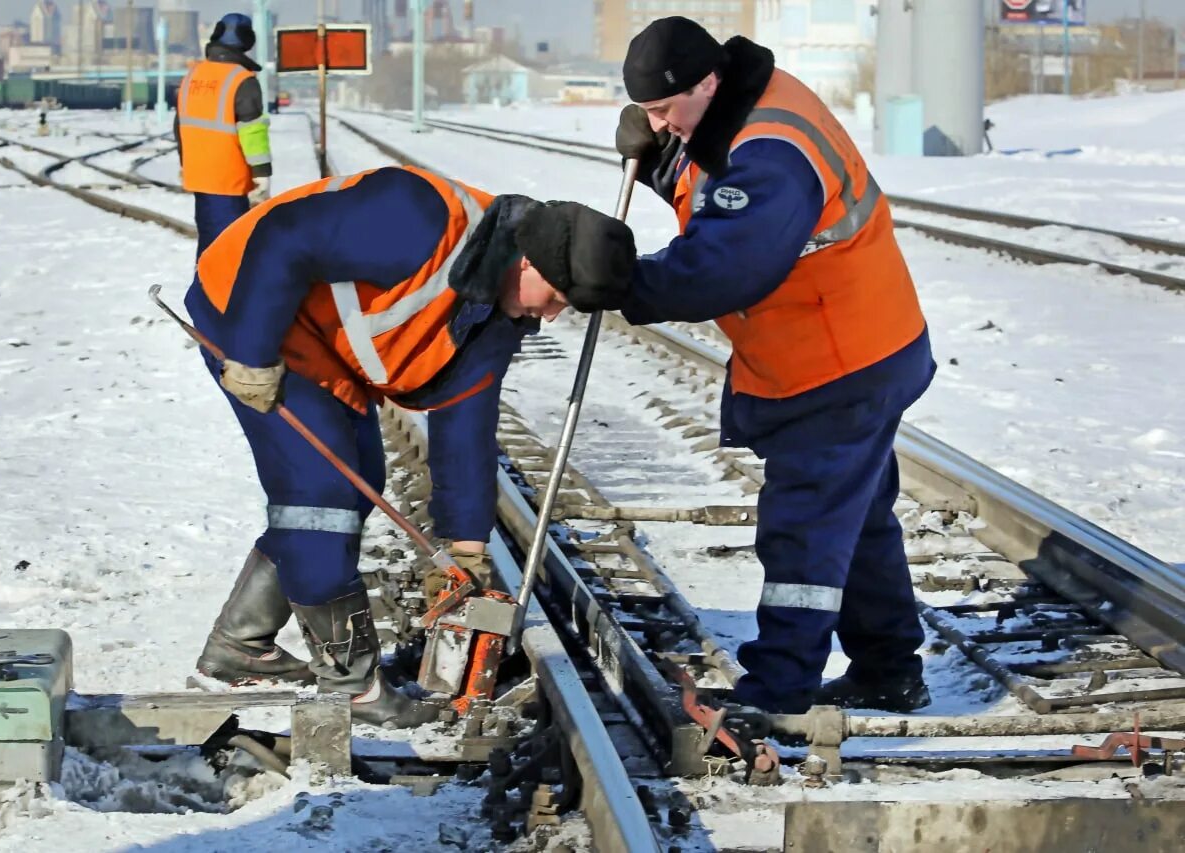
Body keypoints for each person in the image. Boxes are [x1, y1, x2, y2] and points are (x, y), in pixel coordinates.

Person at [185, 166, 635, 726]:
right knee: (320, 495)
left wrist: (466, 546)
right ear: (528, 262)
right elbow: (283, 238)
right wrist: (251, 353)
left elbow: (467, 423)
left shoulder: (496, 313)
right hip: (251, 303)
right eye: (555, 297)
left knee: (360, 483)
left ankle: (240, 645)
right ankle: (350, 684)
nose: (551, 315)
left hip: (324, 338)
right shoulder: (416, 217)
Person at [614, 17, 936, 715]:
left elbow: (722, 266)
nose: (659, 125)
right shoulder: (741, 106)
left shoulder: (772, 151)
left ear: (707, 82)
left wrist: (619, 283)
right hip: (859, 345)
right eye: (647, 112)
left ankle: (779, 690)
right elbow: (712, 183)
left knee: (805, 532)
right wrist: (666, 162)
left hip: (839, 365)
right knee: (858, 517)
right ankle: (888, 667)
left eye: (665, 110)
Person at [176, 13, 273, 257]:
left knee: (209, 245)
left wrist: (185, 163)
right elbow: (253, 133)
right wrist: (261, 175)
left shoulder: (193, 76)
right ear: (248, 42)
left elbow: (180, 127)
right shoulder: (242, 80)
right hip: (230, 181)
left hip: (199, 176)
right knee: (230, 249)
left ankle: (204, 293)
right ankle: (218, 295)